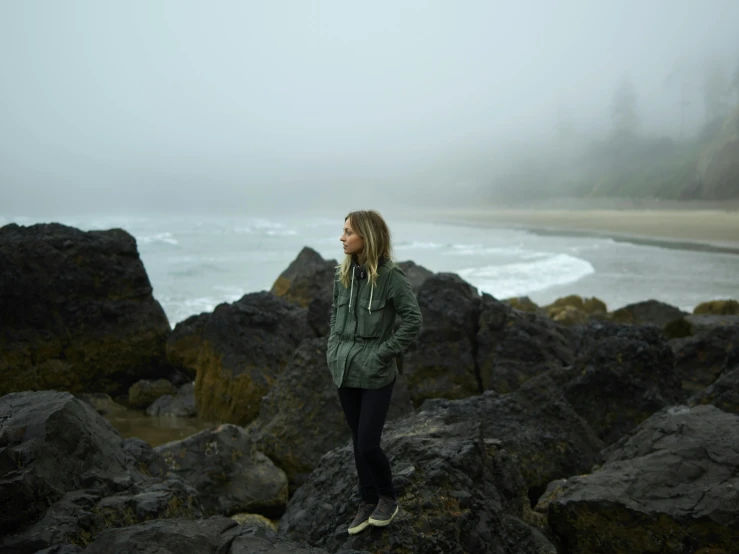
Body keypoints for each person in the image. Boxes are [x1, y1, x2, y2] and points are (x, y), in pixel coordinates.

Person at [326, 210, 423, 535]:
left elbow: (413, 320)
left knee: (368, 443)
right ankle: (367, 501)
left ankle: (387, 498)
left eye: (348, 232)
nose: (342, 238)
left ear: (366, 237)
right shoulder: (343, 275)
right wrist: (333, 350)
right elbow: (333, 318)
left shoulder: (391, 278)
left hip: (376, 374)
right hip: (345, 370)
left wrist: (384, 353)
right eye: (343, 232)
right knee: (357, 441)